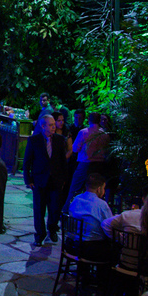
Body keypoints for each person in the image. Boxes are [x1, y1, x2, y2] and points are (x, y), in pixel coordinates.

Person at [22, 111, 66, 247]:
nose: (54, 127)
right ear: (43, 126)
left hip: (55, 181)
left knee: (54, 208)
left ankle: (52, 230)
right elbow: (27, 161)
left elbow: (63, 161)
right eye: (51, 125)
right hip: (39, 180)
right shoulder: (34, 140)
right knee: (39, 209)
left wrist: (63, 179)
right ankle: (39, 235)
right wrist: (28, 179)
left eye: (54, 125)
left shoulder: (59, 140)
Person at [68, 173, 116, 263]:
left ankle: (83, 273)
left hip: (72, 244)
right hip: (90, 248)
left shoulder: (76, 199)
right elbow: (110, 224)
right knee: (113, 249)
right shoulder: (101, 204)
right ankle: (100, 276)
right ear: (99, 189)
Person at [67, 112, 106, 208]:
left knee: (75, 188)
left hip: (85, 163)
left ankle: (67, 210)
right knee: (95, 190)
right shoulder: (104, 134)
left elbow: (75, 148)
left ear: (88, 120)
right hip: (99, 166)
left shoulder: (84, 132)